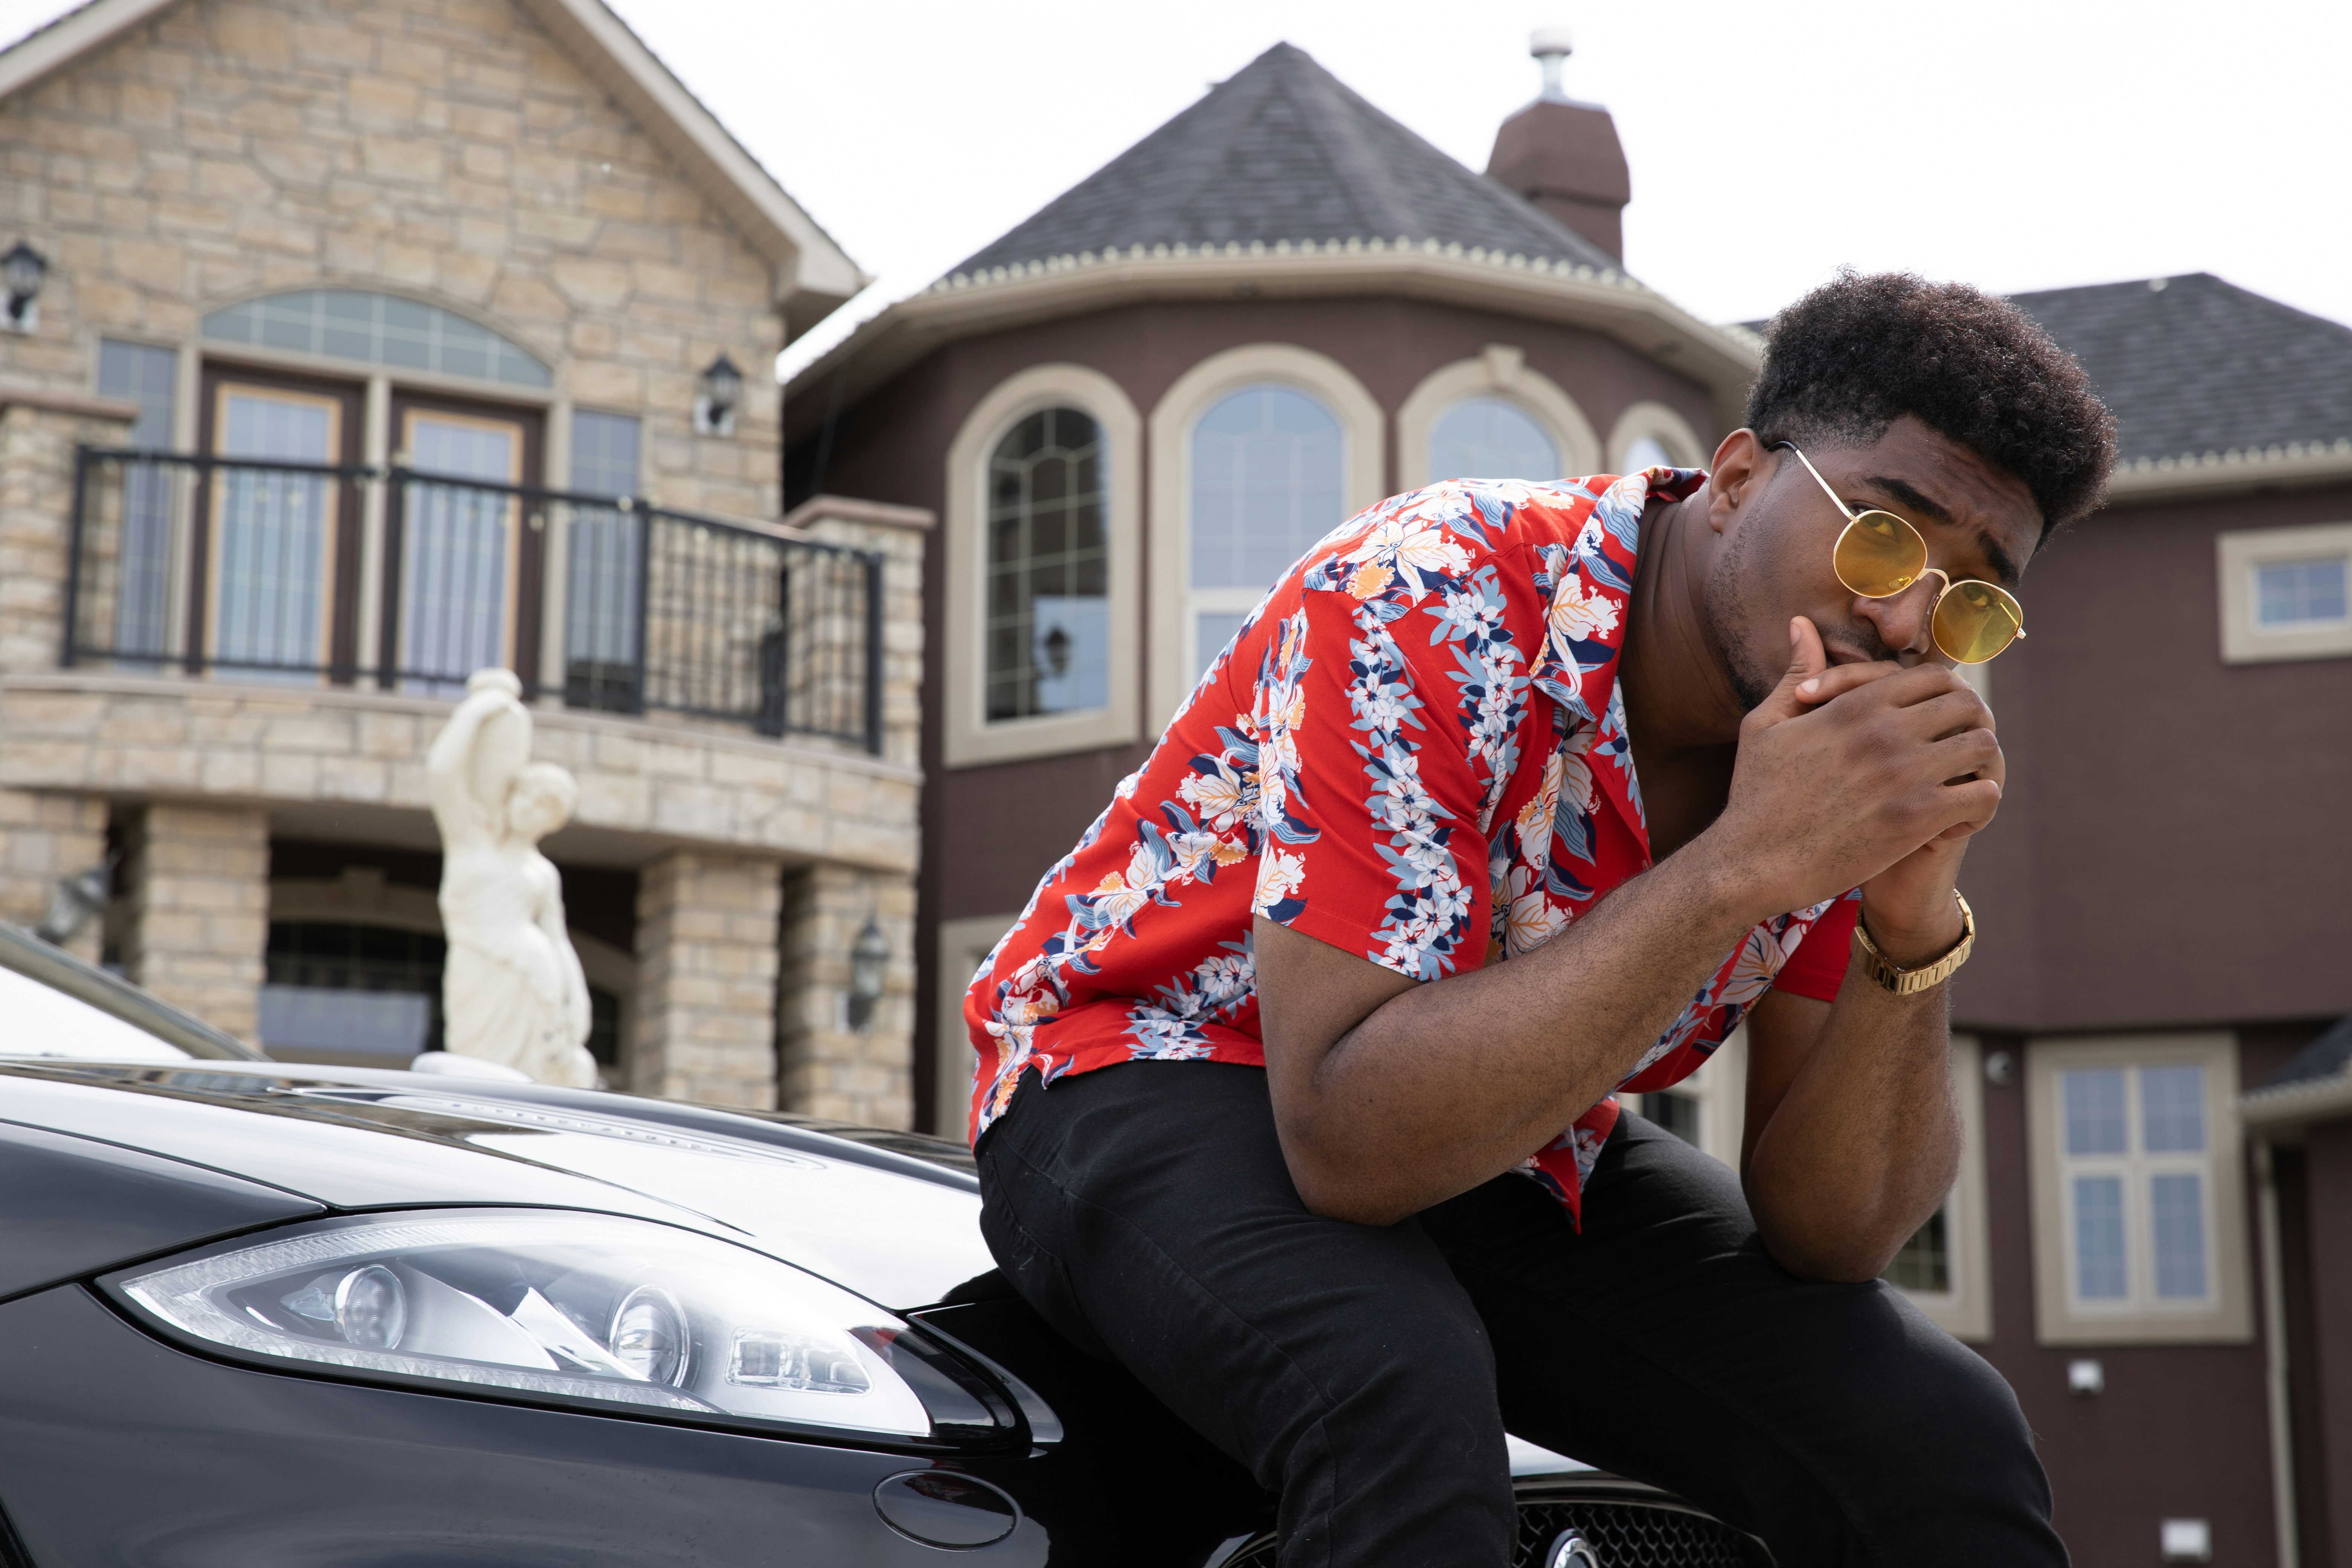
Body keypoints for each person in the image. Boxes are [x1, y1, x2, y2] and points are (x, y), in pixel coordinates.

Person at [961, 273, 2118, 1565]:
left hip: (1499, 1127)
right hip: (1147, 1069)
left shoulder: (1843, 758)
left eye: (1973, 602)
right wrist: (1742, 863)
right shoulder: (1430, 587)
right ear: (1737, 479)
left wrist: (1912, 919)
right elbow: (1350, 1143)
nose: (1908, 623)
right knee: (1391, 1388)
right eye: (1882, 539)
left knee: (1940, 1436)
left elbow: (1833, 1233)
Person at [426, 668, 596, 1087]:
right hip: (480, 967)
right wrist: (479, 710)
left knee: (526, 1084)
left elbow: (558, 940)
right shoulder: (470, 839)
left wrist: (580, 1003)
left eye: (540, 805)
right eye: (523, 794)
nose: (526, 806)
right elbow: (441, 771)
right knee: (474, 1069)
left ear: (553, 820)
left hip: (535, 979)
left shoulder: (542, 872)